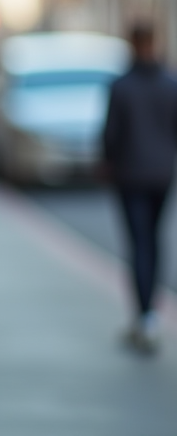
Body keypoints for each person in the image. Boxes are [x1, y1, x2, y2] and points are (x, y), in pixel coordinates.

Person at [102, 21, 177, 355]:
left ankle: (144, 315)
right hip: (161, 174)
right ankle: (150, 315)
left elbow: (110, 135)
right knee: (154, 241)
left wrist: (107, 163)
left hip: (131, 175)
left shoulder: (121, 86)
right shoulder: (170, 83)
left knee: (139, 244)